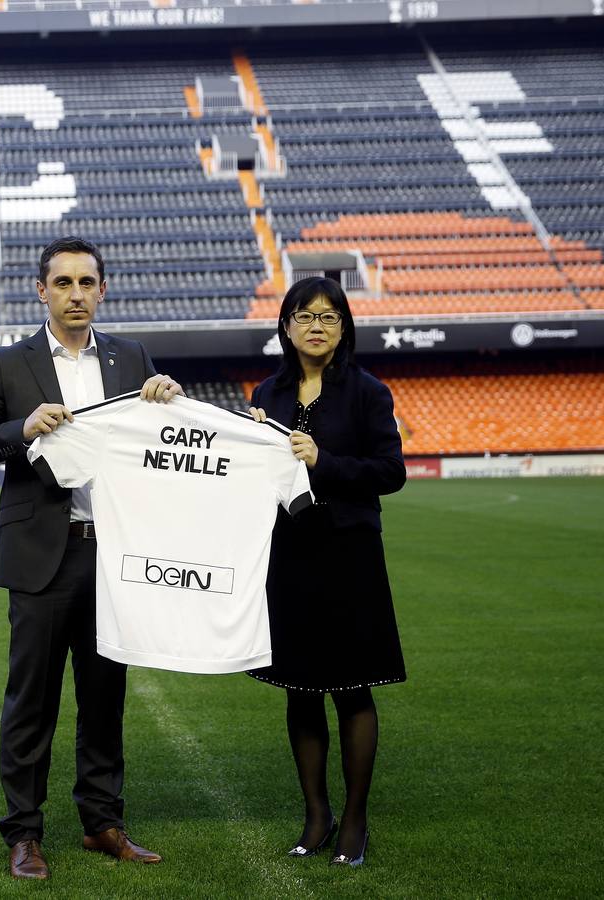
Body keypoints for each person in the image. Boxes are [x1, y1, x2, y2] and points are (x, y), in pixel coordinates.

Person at [0, 236, 181, 880]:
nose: (76, 294)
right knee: (32, 701)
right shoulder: (7, 365)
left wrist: (168, 396)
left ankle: (102, 824)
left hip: (115, 556)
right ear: (41, 290)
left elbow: (161, 443)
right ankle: (23, 834)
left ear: (103, 290)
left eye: (87, 282)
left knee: (105, 699)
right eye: (63, 283)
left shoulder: (133, 359)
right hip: (42, 558)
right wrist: (21, 429)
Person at [245, 276, 407, 868]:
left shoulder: (367, 392)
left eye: (330, 317)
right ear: (286, 325)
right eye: (305, 315)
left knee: (352, 688)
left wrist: (324, 462)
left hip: (349, 556)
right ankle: (316, 815)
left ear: (345, 328)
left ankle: (355, 820)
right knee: (300, 688)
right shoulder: (269, 390)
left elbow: (390, 472)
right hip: (289, 556)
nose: (317, 325)